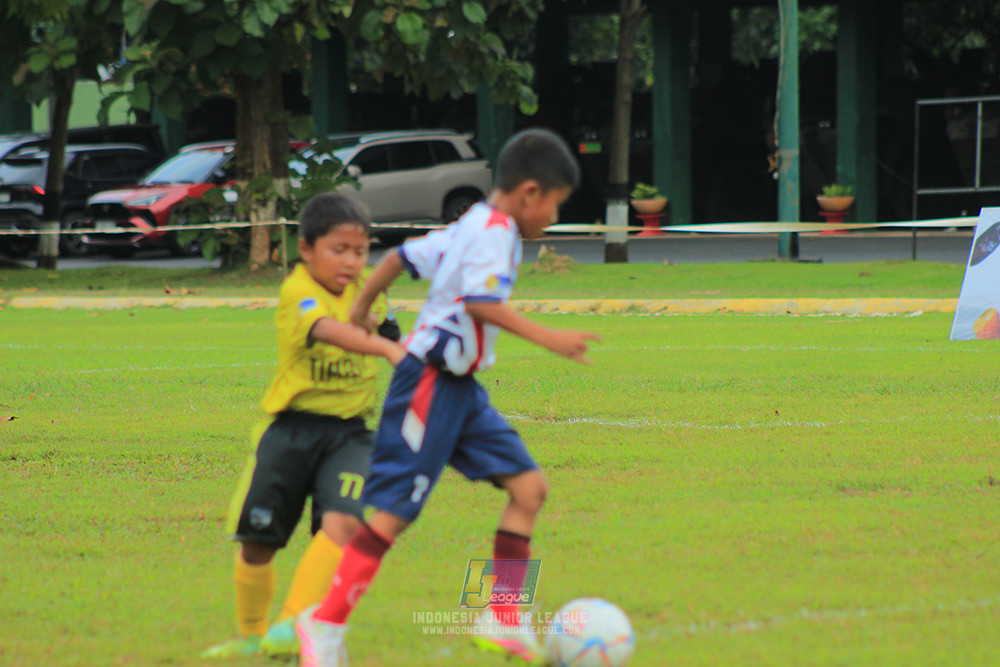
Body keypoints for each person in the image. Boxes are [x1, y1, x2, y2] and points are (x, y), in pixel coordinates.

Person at [295, 128, 600, 667]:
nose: (552, 217)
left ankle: (502, 614)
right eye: (556, 204)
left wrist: (361, 305)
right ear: (531, 193)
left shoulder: (473, 223)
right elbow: (481, 303)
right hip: (429, 385)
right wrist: (551, 338)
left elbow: (400, 259)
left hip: (460, 390)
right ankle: (324, 623)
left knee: (528, 488)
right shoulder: (494, 233)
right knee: (392, 514)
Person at [202, 191, 405, 659]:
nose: (352, 262)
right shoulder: (298, 290)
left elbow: (397, 336)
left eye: (360, 251)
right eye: (340, 250)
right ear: (306, 249)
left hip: (351, 434)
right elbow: (329, 331)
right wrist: (387, 349)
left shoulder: (372, 295)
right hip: (291, 431)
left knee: (344, 523)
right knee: (257, 544)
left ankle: (293, 624)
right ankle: (251, 636)